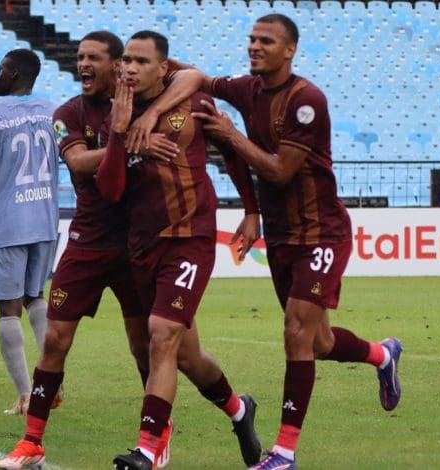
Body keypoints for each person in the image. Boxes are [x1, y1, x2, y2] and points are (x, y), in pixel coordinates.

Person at [131, 14, 403, 470]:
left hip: (322, 232)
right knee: (317, 341)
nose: (255, 46)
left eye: (266, 41)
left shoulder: (306, 100)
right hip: (282, 236)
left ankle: (284, 453)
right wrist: (150, 81)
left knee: (296, 333)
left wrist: (230, 134)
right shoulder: (246, 88)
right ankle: (382, 354)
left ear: (290, 50)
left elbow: (280, 170)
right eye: (252, 39)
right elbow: (194, 75)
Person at [0, 31, 182, 470]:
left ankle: (156, 435)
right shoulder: (68, 113)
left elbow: (190, 77)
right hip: (88, 242)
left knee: (143, 346)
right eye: (79, 57)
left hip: (137, 244)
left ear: (118, 65)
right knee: (56, 340)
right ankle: (32, 442)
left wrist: (143, 119)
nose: (82, 64)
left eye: (94, 57)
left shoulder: (148, 103)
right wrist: (130, 138)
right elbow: (78, 162)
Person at [96, 30, 263, 470]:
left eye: (140, 61)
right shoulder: (114, 109)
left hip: (190, 238)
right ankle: (240, 411)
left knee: (161, 335)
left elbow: (231, 153)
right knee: (186, 355)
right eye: (126, 60)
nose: (129, 68)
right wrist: (120, 135)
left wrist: (251, 209)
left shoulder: (194, 103)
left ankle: (148, 448)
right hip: (142, 244)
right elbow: (110, 189)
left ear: (163, 67)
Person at [0, 49, 60, 419]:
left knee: (8, 310)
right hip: (45, 220)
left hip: (8, 224)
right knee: (35, 298)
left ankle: (28, 394)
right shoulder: (55, 113)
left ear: (13, 74)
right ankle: (51, 387)